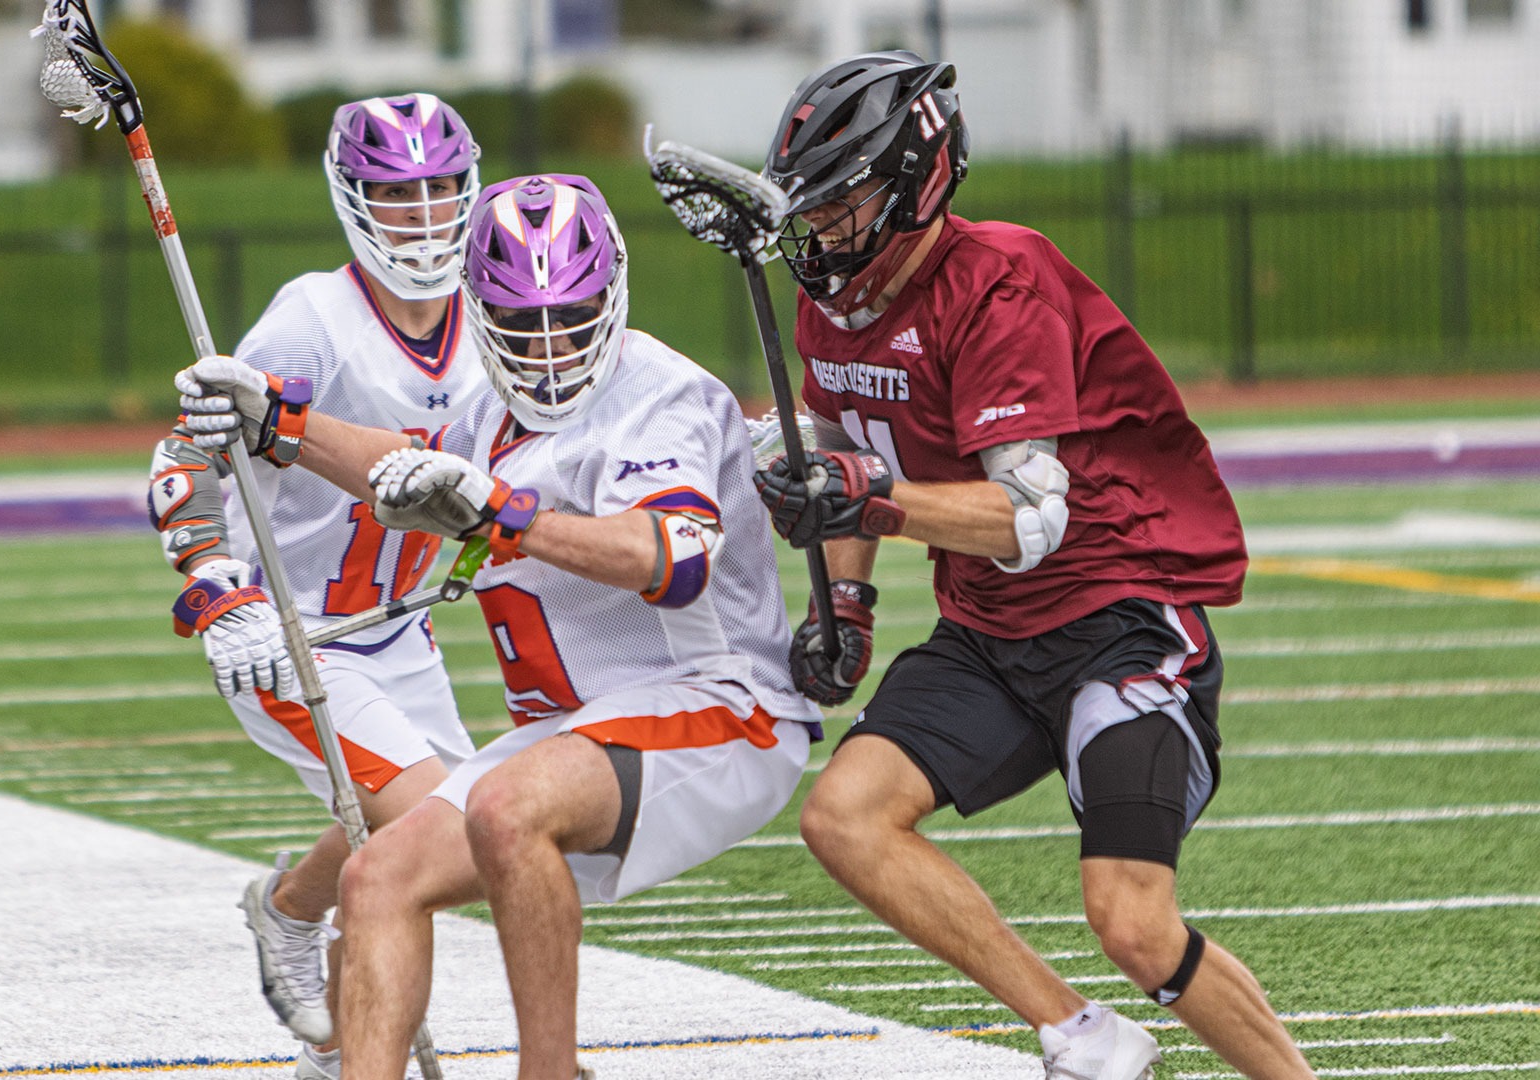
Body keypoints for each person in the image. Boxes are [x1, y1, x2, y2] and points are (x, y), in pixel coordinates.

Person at [175, 173, 824, 1080]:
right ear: (480, 312)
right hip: (575, 730)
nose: (552, 347)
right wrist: (280, 424)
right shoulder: (487, 411)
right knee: (375, 878)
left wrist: (505, 514)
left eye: (573, 314)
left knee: (507, 807)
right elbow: (405, 468)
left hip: (719, 705)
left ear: (614, 295)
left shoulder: (663, 392)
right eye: (523, 324)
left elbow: (667, 563)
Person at [749, 52, 1319, 1080]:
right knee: (844, 816)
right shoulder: (830, 304)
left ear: (916, 180)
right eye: (815, 207)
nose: (825, 231)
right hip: (989, 630)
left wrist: (866, 497)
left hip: (1117, 620)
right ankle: (1082, 1036)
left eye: (848, 203)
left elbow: (1028, 520)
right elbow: (844, 448)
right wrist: (846, 596)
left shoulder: (1000, 278)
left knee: (1135, 924)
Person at [147, 92, 488, 1079]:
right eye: (395, 193)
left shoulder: (493, 314)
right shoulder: (311, 319)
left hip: (403, 636)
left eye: (436, 191)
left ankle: (325, 1012)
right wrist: (217, 584)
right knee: (443, 832)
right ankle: (306, 944)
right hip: (292, 634)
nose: (421, 215)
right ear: (353, 198)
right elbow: (183, 456)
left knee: (430, 857)